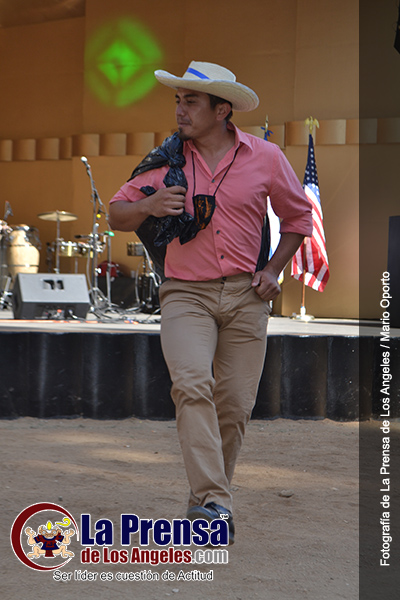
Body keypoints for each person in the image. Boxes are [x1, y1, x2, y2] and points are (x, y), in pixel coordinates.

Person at [109, 61, 313, 544]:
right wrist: (149, 205)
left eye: (192, 102)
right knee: (191, 384)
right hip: (186, 294)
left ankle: (204, 503)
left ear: (222, 110)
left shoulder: (265, 157)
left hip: (247, 296)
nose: (180, 110)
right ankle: (216, 501)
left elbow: (298, 218)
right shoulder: (165, 161)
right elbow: (117, 213)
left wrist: (272, 270)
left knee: (235, 406)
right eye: (178, 101)